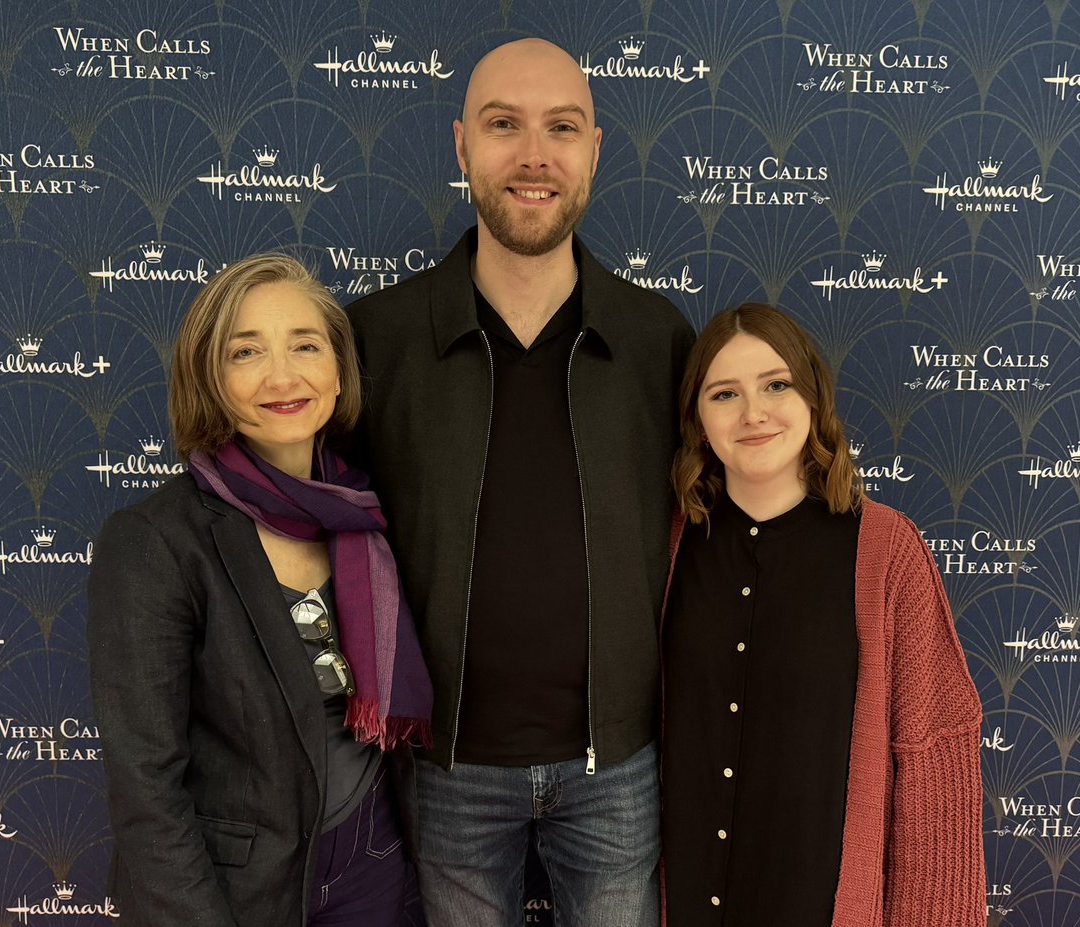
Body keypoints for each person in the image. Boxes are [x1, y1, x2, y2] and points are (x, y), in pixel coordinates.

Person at [347, 37, 695, 927]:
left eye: (561, 128)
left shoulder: (658, 341)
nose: (534, 155)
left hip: (619, 767)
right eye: (505, 125)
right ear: (462, 145)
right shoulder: (376, 340)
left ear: (594, 150)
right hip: (444, 768)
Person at [86, 254, 433, 927]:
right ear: (211, 377)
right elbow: (146, 788)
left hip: (375, 861)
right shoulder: (155, 541)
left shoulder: (367, 515)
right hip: (237, 888)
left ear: (338, 369)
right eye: (246, 352)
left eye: (305, 345)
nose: (283, 375)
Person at [661, 304, 986, 926]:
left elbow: (934, 752)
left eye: (776, 385)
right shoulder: (668, 545)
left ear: (814, 398)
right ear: (697, 420)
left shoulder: (887, 552)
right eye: (724, 393)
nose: (753, 413)